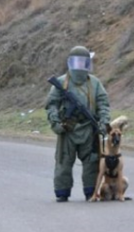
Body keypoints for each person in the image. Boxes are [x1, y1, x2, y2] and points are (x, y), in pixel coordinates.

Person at [46, 46, 110, 202]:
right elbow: (51, 104)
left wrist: (103, 122)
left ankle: (91, 191)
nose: (80, 66)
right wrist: (56, 122)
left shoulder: (94, 83)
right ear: (70, 63)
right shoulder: (61, 83)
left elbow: (103, 104)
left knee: (91, 161)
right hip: (68, 128)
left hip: (89, 128)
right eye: (77, 62)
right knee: (63, 161)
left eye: (83, 63)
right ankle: (62, 192)